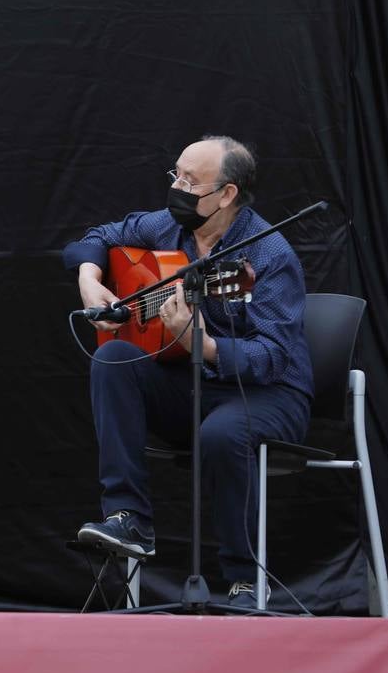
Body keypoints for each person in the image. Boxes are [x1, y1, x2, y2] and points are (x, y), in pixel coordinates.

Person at [62, 135, 313, 605]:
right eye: (175, 174)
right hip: (193, 385)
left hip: (269, 394)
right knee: (114, 358)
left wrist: (204, 343)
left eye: (190, 181)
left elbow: (272, 357)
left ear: (227, 194)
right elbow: (94, 239)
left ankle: (244, 580)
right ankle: (127, 518)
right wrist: (89, 278)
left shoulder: (269, 255)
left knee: (222, 435)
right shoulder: (168, 229)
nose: (177, 187)